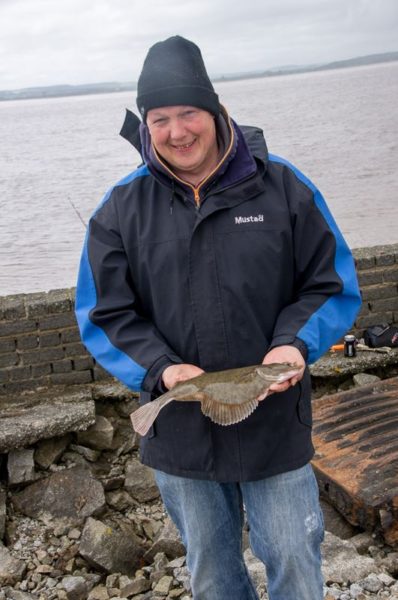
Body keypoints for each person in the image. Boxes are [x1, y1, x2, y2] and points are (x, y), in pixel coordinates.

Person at [75, 35, 361, 600]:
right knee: (210, 571)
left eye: (189, 113)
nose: (177, 132)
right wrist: (161, 370)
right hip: (181, 430)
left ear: (216, 110)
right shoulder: (119, 211)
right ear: (146, 126)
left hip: (274, 419)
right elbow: (105, 315)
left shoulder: (284, 187)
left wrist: (295, 345)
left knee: (296, 563)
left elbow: (331, 285)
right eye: (160, 118)